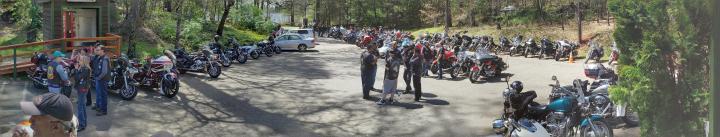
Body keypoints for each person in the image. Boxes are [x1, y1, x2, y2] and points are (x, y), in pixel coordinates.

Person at [73, 55, 91, 131]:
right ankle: (84, 123)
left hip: (82, 89)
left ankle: (82, 124)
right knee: (82, 106)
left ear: (83, 61)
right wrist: (77, 70)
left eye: (79, 60)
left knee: (80, 107)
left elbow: (78, 78)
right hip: (81, 88)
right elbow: (76, 78)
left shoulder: (86, 69)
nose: (78, 61)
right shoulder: (83, 68)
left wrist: (76, 69)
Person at [92, 46, 111, 116]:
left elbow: (104, 72)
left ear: (102, 51)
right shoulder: (100, 57)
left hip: (102, 80)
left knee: (103, 95)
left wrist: (98, 78)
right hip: (100, 79)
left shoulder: (105, 59)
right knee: (99, 94)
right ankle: (99, 106)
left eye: (98, 50)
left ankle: (103, 110)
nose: (97, 51)